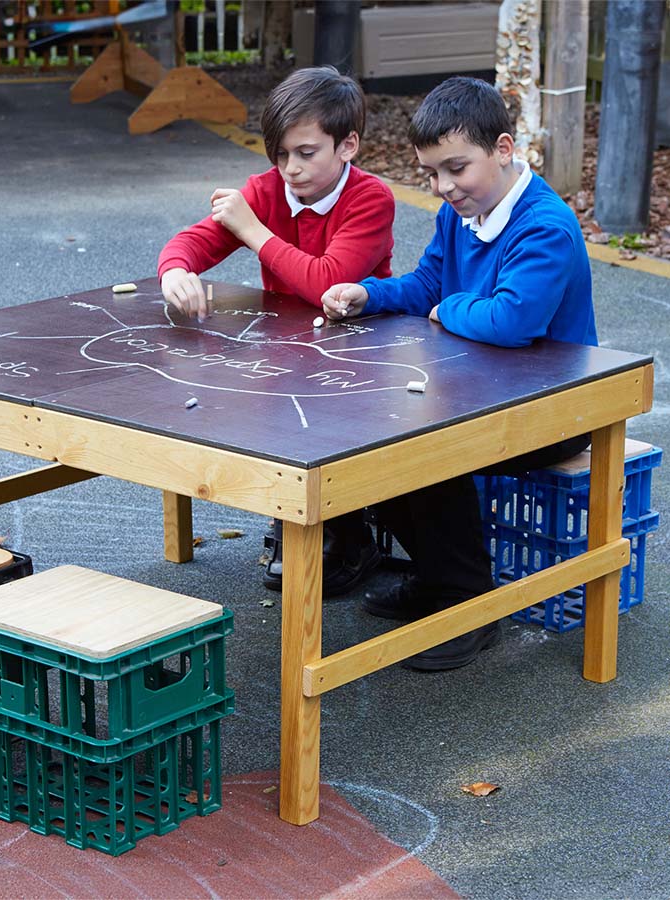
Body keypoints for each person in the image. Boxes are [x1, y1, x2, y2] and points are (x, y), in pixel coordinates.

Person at [321, 76, 597, 670]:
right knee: (373, 433)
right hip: (485, 387)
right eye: (431, 174)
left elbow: (511, 319)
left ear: (502, 149)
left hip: (557, 406)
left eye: (456, 168)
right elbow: (427, 283)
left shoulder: (544, 224)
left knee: (429, 451)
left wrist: (449, 308)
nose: (444, 187)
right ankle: (437, 578)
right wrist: (368, 294)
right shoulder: (462, 213)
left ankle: (469, 603)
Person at [158, 64, 396, 597]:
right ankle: (296, 521)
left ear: (347, 145)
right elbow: (191, 243)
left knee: (333, 430)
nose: (290, 169)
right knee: (262, 410)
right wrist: (176, 270)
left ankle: (351, 532)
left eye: (306, 153)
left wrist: (251, 228)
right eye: (280, 154)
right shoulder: (265, 191)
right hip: (289, 344)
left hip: (363, 346)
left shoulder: (370, 198)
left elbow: (328, 283)